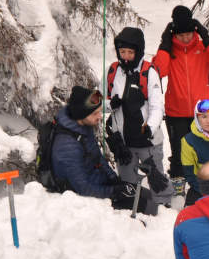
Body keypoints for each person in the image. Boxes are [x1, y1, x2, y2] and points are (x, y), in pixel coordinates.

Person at [152, 5, 209, 195]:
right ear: (174, 34)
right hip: (176, 111)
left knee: (204, 149)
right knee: (178, 151)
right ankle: (178, 181)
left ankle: (208, 180)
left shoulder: (202, 48)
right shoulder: (169, 51)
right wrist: (164, 44)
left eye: (188, 33)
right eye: (180, 35)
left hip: (202, 112)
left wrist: (207, 38)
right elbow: (159, 71)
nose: (185, 38)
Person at [52, 86, 157, 215]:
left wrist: (114, 180)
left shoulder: (83, 127)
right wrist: (114, 191)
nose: (100, 117)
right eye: (95, 113)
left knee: (148, 196)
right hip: (86, 195)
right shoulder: (67, 146)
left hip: (99, 182)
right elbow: (82, 188)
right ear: (81, 113)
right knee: (149, 207)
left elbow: (97, 157)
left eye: (100, 112)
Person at [105, 26, 171, 205]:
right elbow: (104, 101)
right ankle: (131, 208)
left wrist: (149, 126)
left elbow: (158, 107)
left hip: (147, 141)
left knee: (158, 181)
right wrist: (111, 104)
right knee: (127, 183)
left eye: (130, 52)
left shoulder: (149, 73)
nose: (125, 56)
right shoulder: (113, 71)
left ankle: (164, 208)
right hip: (124, 142)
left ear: (138, 52)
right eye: (122, 51)